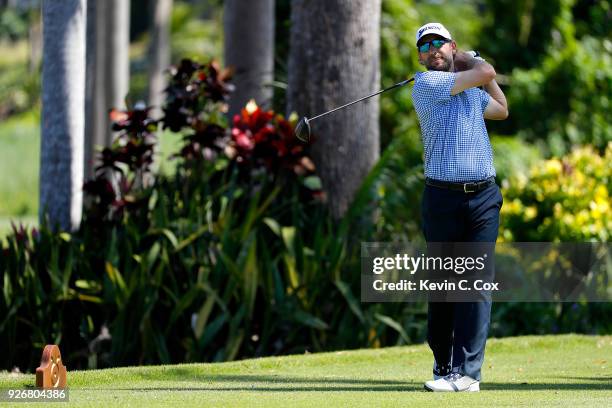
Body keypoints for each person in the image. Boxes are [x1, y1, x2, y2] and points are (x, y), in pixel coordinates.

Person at [410, 22, 508, 392]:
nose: (432, 49)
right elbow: (484, 71)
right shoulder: (427, 85)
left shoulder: (468, 89)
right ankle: (443, 364)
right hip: (442, 200)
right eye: (425, 46)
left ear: (450, 46)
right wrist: (471, 60)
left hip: (483, 197)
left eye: (439, 43)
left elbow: (500, 108)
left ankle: (468, 374)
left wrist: (478, 70)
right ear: (421, 56)